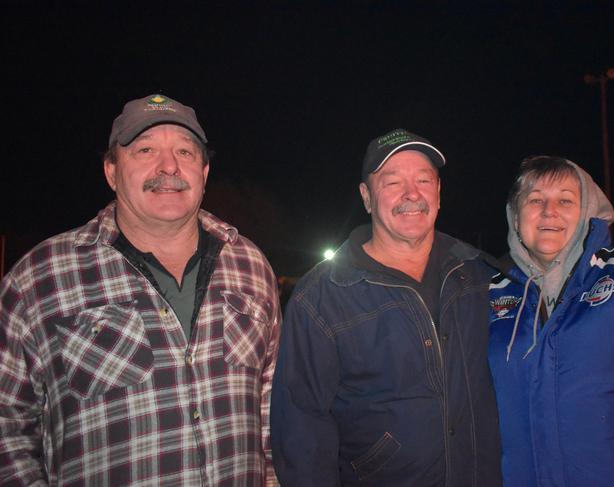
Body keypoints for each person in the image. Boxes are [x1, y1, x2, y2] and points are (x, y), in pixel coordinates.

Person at [0, 94, 280, 486]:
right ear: (111, 171)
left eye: (185, 151)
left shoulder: (250, 265)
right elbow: (8, 425)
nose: (169, 167)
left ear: (204, 170)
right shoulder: (40, 278)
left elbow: (269, 407)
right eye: (145, 150)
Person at [271, 129, 502, 486]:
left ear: (439, 193)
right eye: (392, 182)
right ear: (366, 197)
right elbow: (301, 431)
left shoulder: (478, 276)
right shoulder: (321, 296)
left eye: (424, 180)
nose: (412, 194)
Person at [488, 156, 614, 486]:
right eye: (535, 200)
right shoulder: (485, 293)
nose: (549, 211)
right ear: (515, 216)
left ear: (586, 212)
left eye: (565, 199)